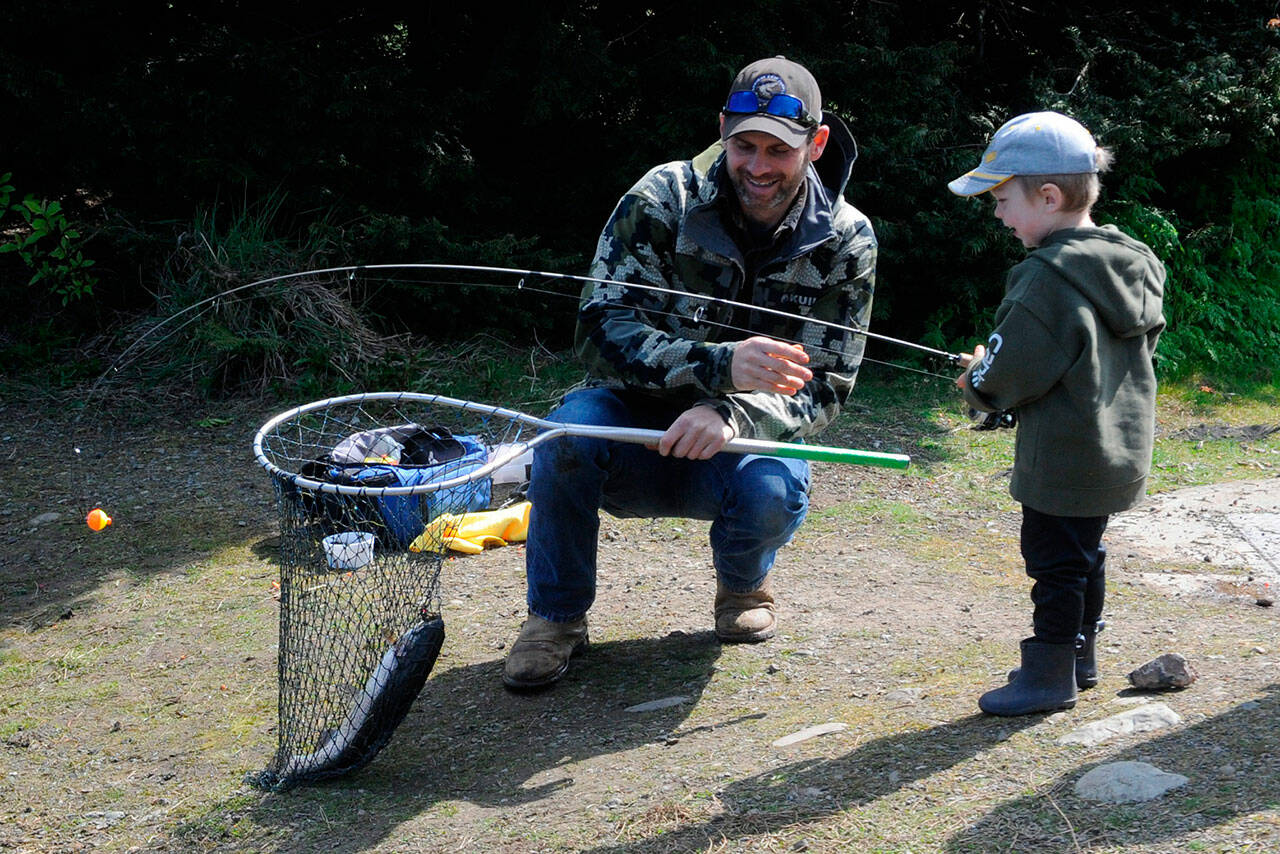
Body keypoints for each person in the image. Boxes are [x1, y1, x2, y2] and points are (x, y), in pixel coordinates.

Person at [502, 56, 878, 691]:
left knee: (773, 487)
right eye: (745, 146)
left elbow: (827, 383)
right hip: (632, 422)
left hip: (740, 439)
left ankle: (742, 589)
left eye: (778, 151)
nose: (758, 167)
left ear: (814, 145)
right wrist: (718, 367)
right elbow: (598, 330)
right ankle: (555, 619)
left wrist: (730, 414)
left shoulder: (846, 240)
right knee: (563, 438)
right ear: (723, 133)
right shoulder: (662, 198)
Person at [950, 111, 1166, 716]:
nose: (997, 213)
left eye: (1001, 198)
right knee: (1084, 554)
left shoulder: (1044, 279)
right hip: (1116, 451)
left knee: (1054, 565)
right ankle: (1080, 658)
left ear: (1047, 197)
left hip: (1063, 456)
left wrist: (976, 379)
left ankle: (1049, 676)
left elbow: (1008, 372)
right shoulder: (1137, 262)